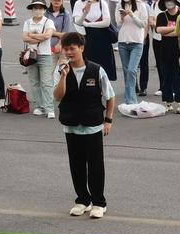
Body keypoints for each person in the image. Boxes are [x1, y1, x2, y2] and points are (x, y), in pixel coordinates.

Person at [54, 32, 115, 218]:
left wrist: (108, 120)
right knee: (76, 165)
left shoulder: (97, 70)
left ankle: (99, 202)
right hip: (71, 125)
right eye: (66, 49)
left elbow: (110, 96)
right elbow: (57, 96)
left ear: (81, 48)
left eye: (73, 48)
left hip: (93, 125)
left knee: (95, 165)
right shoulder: (61, 70)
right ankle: (82, 200)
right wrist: (64, 76)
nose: (69, 52)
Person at [23, 0, 56, 119]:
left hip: (45, 55)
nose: (37, 10)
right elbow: (24, 38)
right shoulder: (27, 22)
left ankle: (49, 108)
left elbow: (48, 36)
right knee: (35, 82)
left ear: (44, 9)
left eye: (40, 8)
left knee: (46, 83)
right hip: (31, 55)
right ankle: (40, 106)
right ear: (32, 9)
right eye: (35, 8)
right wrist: (39, 38)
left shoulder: (48, 21)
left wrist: (31, 35)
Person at [73, 0, 118, 80]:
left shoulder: (102, 3)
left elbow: (106, 22)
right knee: (88, 70)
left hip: (103, 40)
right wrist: (85, 12)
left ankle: (104, 91)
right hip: (87, 40)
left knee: (104, 72)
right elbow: (78, 22)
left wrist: (89, 24)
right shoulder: (79, 3)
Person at [116, 0, 148, 105]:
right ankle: (129, 98)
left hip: (137, 42)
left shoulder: (141, 5)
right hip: (122, 42)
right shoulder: (118, 5)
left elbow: (143, 24)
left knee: (131, 70)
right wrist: (122, 17)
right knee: (126, 72)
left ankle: (131, 101)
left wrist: (131, 14)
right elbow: (118, 25)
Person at [156, 0, 180, 113]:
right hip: (164, 51)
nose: (169, 3)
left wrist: (168, 31)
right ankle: (168, 102)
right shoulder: (161, 16)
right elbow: (159, 30)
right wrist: (175, 28)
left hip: (179, 51)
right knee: (166, 77)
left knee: (178, 78)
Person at [138, 0, 164, 97]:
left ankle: (173, 86)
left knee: (171, 63)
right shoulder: (154, 5)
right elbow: (150, 21)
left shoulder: (171, 4)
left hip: (170, 39)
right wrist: (162, 26)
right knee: (160, 64)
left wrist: (158, 25)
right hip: (157, 38)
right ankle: (162, 86)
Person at [46, 0, 74, 68]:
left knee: (62, 70)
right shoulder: (46, 13)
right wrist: (59, 34)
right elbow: (45, 31)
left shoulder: (65, 14)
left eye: (59, 0)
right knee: (50, 72)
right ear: (50, 1)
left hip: (63, 48)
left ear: (62, 1)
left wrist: (59, 44)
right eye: (54, 0)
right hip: (48, 48)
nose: (56, 2)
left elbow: (66, 33)